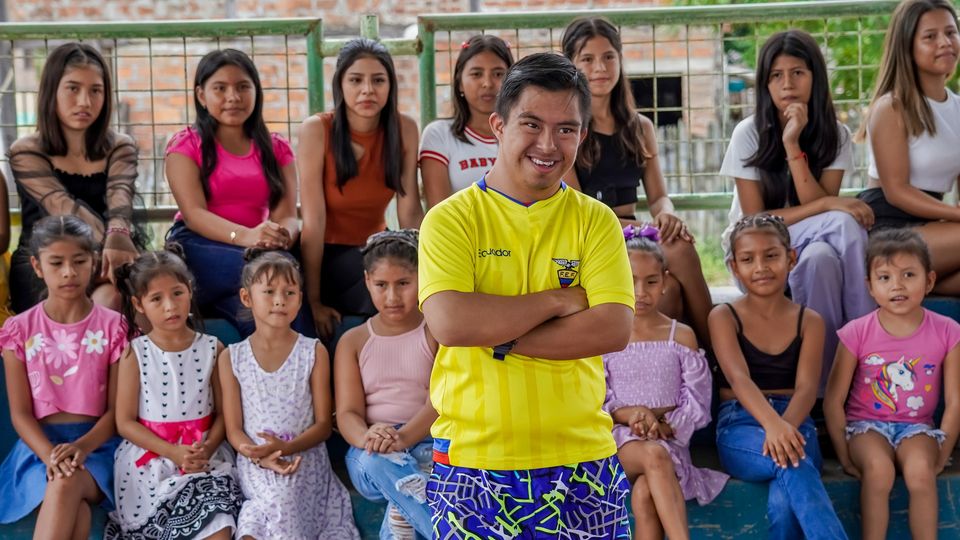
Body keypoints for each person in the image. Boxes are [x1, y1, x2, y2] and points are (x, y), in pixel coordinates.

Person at [419, 52, 635, 538]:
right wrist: (557, 302)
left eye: (566, 129)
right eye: (531, 124)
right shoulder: (450, 220)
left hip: (584, 463)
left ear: (582, 135)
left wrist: (498, 335)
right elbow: (451, 323)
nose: (547, 144)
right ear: (498, 125)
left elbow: (612, 328)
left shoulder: (597, 221)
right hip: (474, 464)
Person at [719, 30, 874, 391]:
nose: (787, 84)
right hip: (755, 251)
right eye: (776, 75)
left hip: (808, 243)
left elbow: (820, 220)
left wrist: (793, 144)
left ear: (815, 77)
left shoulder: (836, 134)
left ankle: (823, 389)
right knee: (844, 223)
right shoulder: (748, 133)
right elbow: (754, 223)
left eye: (798, 73)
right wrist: (827, 203)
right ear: (765, 84)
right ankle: (869, 343)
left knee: (820, 258)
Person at [562, 17, 713, 349]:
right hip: (592, 234)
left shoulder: (640, 126)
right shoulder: (567, 127)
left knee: (674, 273)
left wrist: (666, 214)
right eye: (587, 59)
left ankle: (703, 356)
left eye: (608, 57)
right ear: (571, 64)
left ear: (620, 59)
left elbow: (658, 196)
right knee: (679, 250)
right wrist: (646, 229)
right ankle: (715, 353)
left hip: (634, 232)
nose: (600, 67)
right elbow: (577, 209)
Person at [710, 214, 847, 540]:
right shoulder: (724, 316)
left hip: (797, 423)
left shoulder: (809, 321)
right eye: (748, 259)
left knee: (785, 503)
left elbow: (807, 388)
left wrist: (785, 428)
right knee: (794, 464)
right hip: (740, 423)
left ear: (791, 258)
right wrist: (772, 425)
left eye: (771, 255)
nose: (761, 267)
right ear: (734, 267)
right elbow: (739, 378)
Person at [824, 228, 960, 540]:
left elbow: (955, 400)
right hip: (865, 428)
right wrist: (844, 454)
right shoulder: (856, 332)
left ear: (929, 280)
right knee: (879, 470)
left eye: (908, 275)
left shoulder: (948, 331)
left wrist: (942, 453)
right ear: (870, 287)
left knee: (921, 472)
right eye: (884, 277)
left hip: (917, 428)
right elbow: (833, 400)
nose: (897, 285)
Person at [218, 250, 359, 539]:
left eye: (290, 292)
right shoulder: (232, 358)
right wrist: (259, 456)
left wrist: (287, 448)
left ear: (300, 299)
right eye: (269, 291)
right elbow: (234, 430)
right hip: (256, 463)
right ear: (247, 298)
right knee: (270, 504)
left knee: (285, 496)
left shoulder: (313, 352)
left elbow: (323, 426)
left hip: (304, 458)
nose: (280, 300)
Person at [166, 48, 306, 337]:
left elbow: (288, 215)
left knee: (271, 296)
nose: (233, 97)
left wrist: (280, 237)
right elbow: (193, 214)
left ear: (256, 91)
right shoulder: (186, 145)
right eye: (220, 88)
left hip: (256, 249)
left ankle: (303, 362)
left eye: (243, 87)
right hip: (199, 244)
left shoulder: (276, 148)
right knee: (272, 273)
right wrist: (247, 237)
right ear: (201, 96)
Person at [0, 216, 126, 537]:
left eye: (79, 261)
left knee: (65, 481)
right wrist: (50, 456)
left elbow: (116, 411)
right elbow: (20, 414)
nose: (68, 272)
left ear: (93, 262)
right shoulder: (18, 330)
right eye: (56, 263)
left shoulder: (113, 327)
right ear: (37, 266)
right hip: (38, 449)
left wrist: (81, 447)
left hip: (98, 446)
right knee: (75, 507)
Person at [106, 247, 243, 539]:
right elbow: (125, 422)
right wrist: (172, 453)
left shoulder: (213, 348)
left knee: (219, 525)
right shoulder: (135, 353)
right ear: (139, 304)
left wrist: (206, 449)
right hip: (153, 462)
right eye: (157, 298)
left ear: (190, 290)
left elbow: (223, 414)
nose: (170, 306)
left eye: (177, 293)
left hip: (205, 457)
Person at [603, 225, 728, 540]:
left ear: (665, 283)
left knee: (645, 492)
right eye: (630, 279)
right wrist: (632, 414)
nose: (641, 292)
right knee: (653, 456)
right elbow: (595, 400)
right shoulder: (606, 336)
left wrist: (665, 425)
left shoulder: (680, 336)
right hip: (618, 444)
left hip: (671, 442)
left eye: (651, 281)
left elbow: (697, 402)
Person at [299, 38, 424, 339]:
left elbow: (409, 212)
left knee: (408, 282)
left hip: (376, 248)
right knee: (385, 283)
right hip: (327, 253)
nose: (367, 90)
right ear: (340, 84)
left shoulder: (404, 128)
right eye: (356, 80)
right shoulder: (317, 130)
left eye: (378, 80)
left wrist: (439, 261)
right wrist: (313, 300)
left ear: (390, 85)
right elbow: (314, 222)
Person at [7, 43, 143, 313]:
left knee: (117, 300)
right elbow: (63, 207)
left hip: (108, 256)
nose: (85, 102)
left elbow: (120, 203)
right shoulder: (26, 151)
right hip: (48, 263)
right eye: (73, 88)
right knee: (79, 305)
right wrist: (113, 243)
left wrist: (118, 238)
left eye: (95, 90)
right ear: (52, 91)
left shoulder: (120, 146)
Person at [336, 230, 437, 540]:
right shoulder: (353, 341)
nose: (392, 297)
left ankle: (405, 509)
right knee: (382, 463)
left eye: (403, 284)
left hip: (426, 443)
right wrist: (368, 436)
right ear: (367, 281)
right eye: (381, 285)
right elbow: (348, 413)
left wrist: (404, 438)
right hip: (371, 452)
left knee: (403, 499)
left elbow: (439, 401)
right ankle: (445, 531)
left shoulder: (435, 332)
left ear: (422, 278)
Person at [857, 0, 960, 294]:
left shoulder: (958, 108)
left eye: (951, 32)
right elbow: (896, 191)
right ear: (907, 47)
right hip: (889, 229)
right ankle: (905, 283)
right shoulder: (891, 107)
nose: (945, 43)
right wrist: (955, 214)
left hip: (936, 227)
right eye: (930, 37)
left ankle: (921, 287)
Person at [419, 35, 513, 208]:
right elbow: (440, 212)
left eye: (498, 74)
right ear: (460, 83)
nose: (487, 83)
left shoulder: (526, 134)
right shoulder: (439, 135)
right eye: (476, 74)